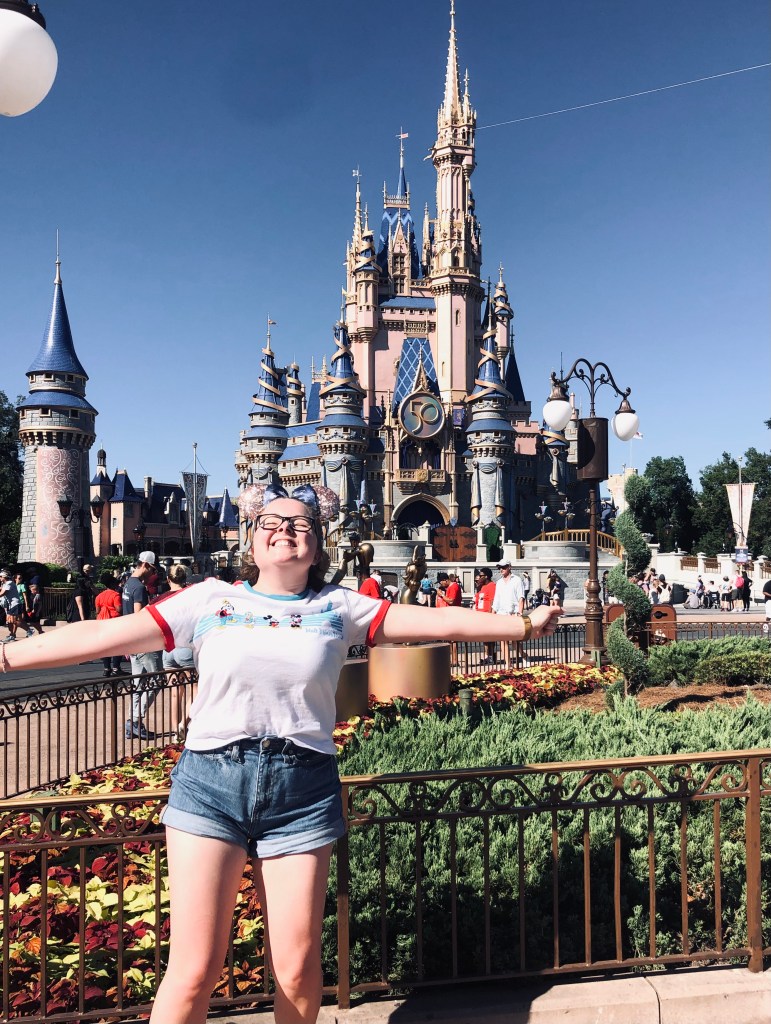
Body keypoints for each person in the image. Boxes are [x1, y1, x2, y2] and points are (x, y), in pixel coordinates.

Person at [0, 482, 561, 1024]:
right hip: (211, 783)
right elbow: (104, 636)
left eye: (298, 523)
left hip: (302, 788)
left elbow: (435, 620)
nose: (284, 530)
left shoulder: (342, 608)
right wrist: (6, 658)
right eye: (271, 521)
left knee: (294, 968)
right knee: (194, 969)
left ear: (317, 542)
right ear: (251, 538)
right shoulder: (209, 600)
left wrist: (520, 624)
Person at [122, 551, 164, 740]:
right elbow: (139, 616)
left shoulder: (128, 584)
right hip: (142, 641)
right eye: (152, 569)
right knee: (157, 680)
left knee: (138, 684)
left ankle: (132, 721)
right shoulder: (139, 587)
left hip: (131, 640)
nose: (152, 574)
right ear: (146, 565)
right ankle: (136, 720)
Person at [95, 573, 123, 676]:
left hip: (103, 623)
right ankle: (116, 668)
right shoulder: (115, 595)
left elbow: (98, 611)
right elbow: (119, 609)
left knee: (106, 647)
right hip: (114, 622)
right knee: (118, 646)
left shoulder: (99, 596)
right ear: (112, 584)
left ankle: (106, 668)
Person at [0, 569, 23, 642]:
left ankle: (28, 630)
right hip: (11, 604)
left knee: (14, 621)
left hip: (15, 604)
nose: (0, 578)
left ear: (4, 577)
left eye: (1, 576)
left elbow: (3, 593)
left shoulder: (9, 583)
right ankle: (12, 635)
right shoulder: (5, 584)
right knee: (9, 621)